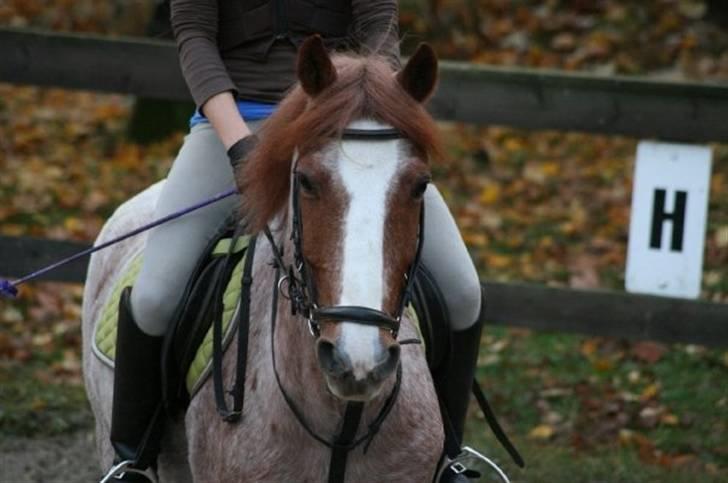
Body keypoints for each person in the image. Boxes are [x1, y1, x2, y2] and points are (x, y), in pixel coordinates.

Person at [105, 1, 484, 481]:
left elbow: (379, 25)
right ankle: (132, 461)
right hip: (234, 125)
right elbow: (195, 37)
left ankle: (446, 458)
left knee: (463, 292)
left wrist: (370, 100)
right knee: (157, 296)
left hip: (346, 124)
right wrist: (238, 141)